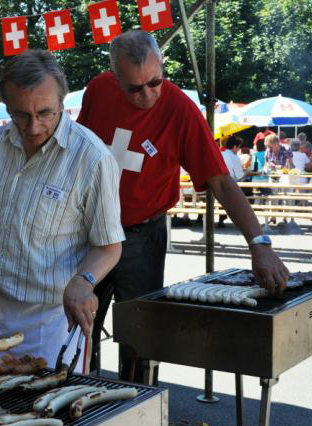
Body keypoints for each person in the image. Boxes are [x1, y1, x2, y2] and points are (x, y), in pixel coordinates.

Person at [76, 30, 289, 375]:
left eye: (154, 82)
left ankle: (135, 407)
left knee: (140, 335)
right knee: (78, 326)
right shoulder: (98, 90)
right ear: (114, 77)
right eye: (133, 87)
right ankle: (78, 395)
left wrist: (259, 243)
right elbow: (77, 150)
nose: (147, 94)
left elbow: (220, 180)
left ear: (162, 65)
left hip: (141, 236)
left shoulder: (180, 109)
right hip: (89, 232)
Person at [0, 50, 123, 370]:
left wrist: (84, 280)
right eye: (21, 115)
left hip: (52, 319)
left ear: (62, 103)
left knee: (44, 415)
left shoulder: (92, 158)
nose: (34, 127)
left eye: (45, 113)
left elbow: (109, 245)